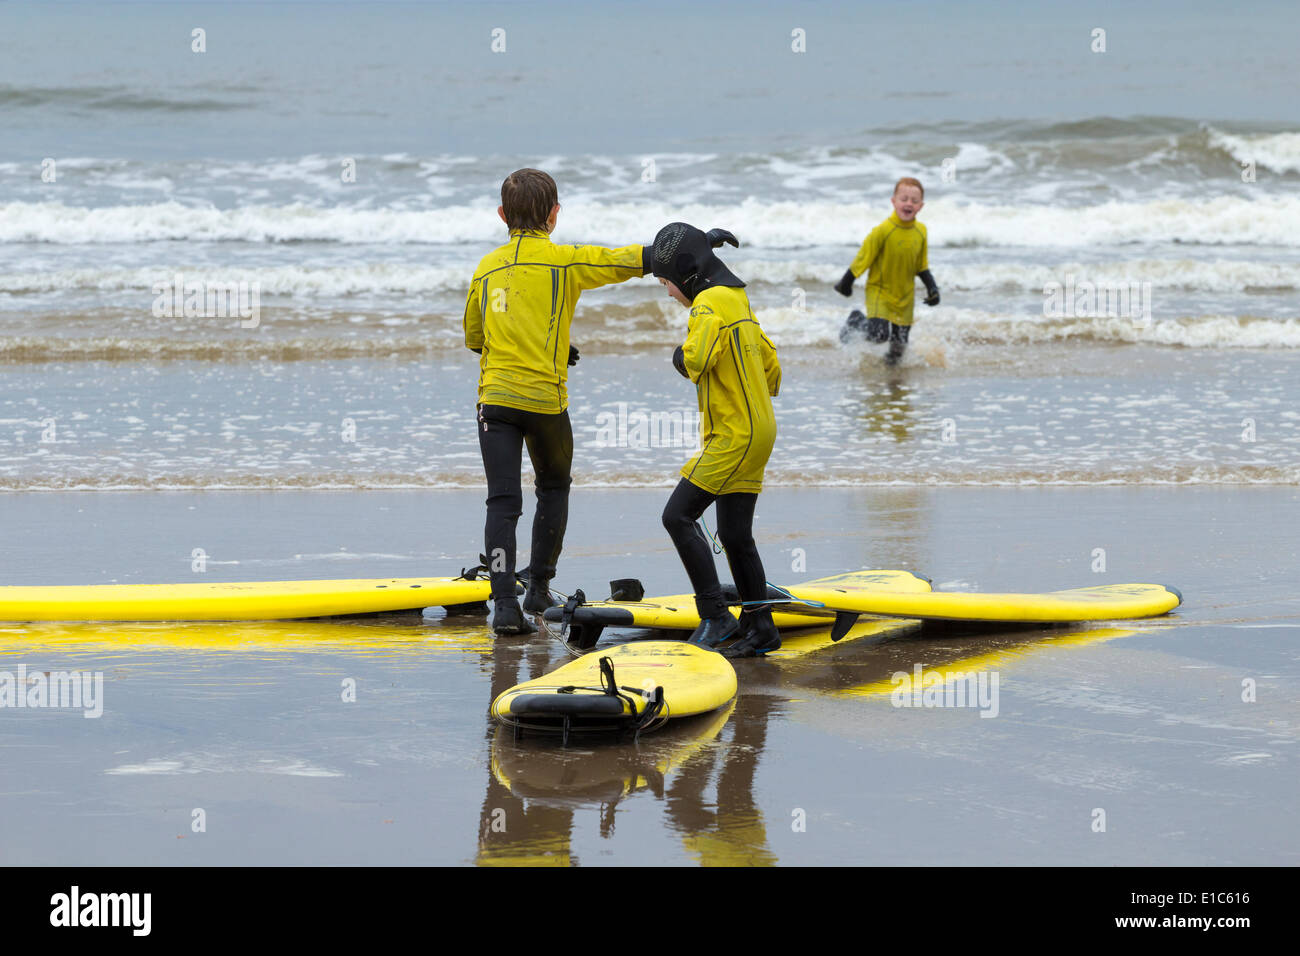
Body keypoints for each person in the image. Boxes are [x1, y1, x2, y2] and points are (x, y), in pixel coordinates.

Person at [464, 168, 649, 635]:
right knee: (553, 488)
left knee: (502, 503)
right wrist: (675, 250)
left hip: (496, 403)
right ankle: (540, 588)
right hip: (546, 402)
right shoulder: (565, 261)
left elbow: (475, 336)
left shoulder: (486, 268)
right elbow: (620, 261)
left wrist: (522, 342)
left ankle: (504, 605)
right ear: (554, 215)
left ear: (502, 215)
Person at [650, 222, 783, 658]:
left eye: (667, 282)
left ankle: (715, 615)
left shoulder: (706, 306)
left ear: (686, 276)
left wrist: (677, 353)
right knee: (734, 532)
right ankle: (761, 626)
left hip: (734, 436)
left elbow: (697, 360)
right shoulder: (736, 298)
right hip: (760, 429)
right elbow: (772, 367)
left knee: (678, 516)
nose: (669, 292)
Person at [835, 176, 940, 365]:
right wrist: (846, 282)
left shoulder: (921, 231)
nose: (909, 204)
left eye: (914, 201)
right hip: (880, 292)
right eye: (904, 199)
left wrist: (932, 288)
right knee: (878, 335)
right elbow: (863, 257)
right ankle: (856, 320)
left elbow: (921, 265)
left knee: (898, 349)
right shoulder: (883, 230)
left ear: (921, 206)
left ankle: (891, 384)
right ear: (894, 202)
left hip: (905, 297)